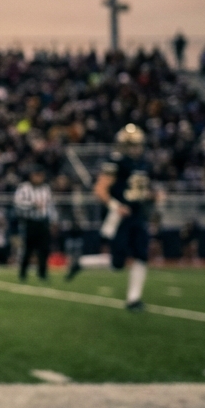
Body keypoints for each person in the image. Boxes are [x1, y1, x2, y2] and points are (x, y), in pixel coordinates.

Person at [76, 124, 153, 311]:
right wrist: (116, 206)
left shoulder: (142, 163)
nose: (135, 148)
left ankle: (134, 299)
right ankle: (81, 262)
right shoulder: (115, 161)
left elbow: (139, 191)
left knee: (141, 254)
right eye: (131, 144)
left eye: (137, 144)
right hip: (119, 216)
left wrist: (152, 196)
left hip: (138, 214)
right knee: (117, 262)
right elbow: (99, 189)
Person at [14, 170, 54, 280]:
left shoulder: (46, 188)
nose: (38, 178)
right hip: (30, 221)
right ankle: (23, 273)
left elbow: (50, 205)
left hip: (43, 221)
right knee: (28, 249)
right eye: (36, 175)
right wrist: (32, 205)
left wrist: (53, 220)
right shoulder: (24, 188)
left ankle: (42, 273)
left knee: (44, 249)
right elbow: (18, 203)